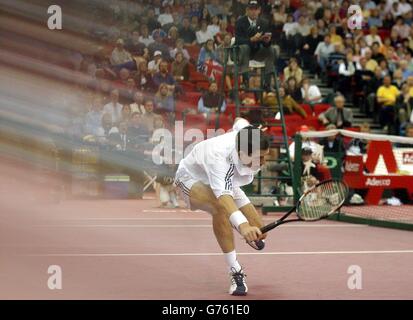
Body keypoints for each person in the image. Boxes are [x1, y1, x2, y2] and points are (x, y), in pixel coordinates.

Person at [174, 118, 270, 296]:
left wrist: (254, 128)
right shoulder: (218, 157)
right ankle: (235, 271)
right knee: (220, 208)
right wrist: (243, 226)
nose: (263, 162)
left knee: (261, 230)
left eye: (265, 155)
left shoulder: (247, 135)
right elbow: (224, 198)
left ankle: (242, 227)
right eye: (259, 157)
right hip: (190, 178)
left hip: (228, 181)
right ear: (241, 153)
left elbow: (239, 121)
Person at [235, 0, 276, 90]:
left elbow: (266, 45)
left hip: (258, 52)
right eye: (251, 9)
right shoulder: (240, 21)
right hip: (242, 53)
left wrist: (267, 41)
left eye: (255, 9)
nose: (253, 11)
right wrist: (251, 40)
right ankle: (245, 82)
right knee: (245, 47)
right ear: (247, 10)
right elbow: (237, 40)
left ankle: (267, 83)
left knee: (272, 49)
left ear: (259, 10)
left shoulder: (264, 22)